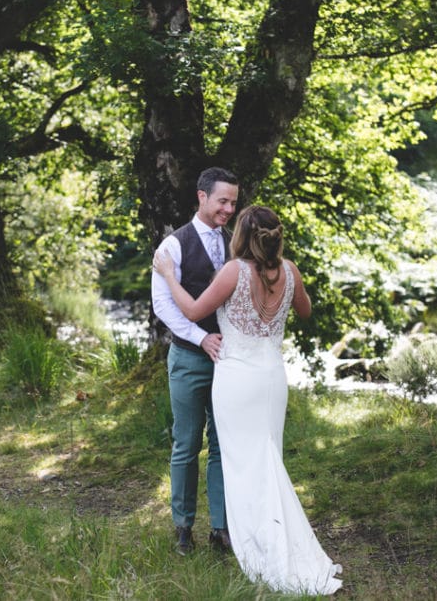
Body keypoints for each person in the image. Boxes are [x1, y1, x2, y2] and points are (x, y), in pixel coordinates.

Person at [153, 205, 343, 596]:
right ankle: (265, 536)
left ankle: (260, 547)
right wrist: (283, 293)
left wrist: (169, 275)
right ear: (276, 236)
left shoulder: (234, 271)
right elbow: (304, 310)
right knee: (267, 457)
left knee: (243, 462)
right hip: (272, 377)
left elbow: (190, 310)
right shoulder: (290, 271)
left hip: (238, 378)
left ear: (242, 235)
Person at [151, 167, 239, 556]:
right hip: (188, 358)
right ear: (201, 197)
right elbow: (163, 307)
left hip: (229, 361)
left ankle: (221, 527)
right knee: (186, 444)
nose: (229, 209)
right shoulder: (172, 247)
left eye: (234, 203)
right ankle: (183, 526)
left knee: (223, 443)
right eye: (223, 201)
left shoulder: (235, 243)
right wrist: (201, 338)